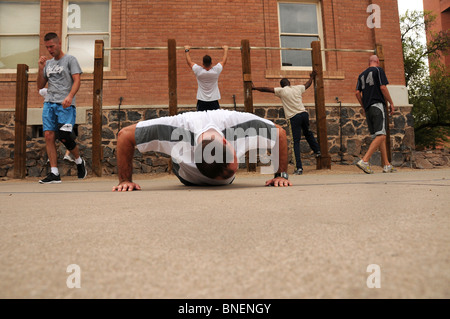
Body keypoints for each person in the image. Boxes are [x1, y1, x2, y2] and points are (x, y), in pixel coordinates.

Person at [112, 109, 292, 192]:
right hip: (186, 174)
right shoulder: (176, 128)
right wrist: (125, 180)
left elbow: (280, 134)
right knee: (177, 154)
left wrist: (280, 175)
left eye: (235, 163)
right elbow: (125, 136)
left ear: (226, 141)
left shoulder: (240, 123)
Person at [37, 32, 87, 184]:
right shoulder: (49, 64)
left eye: (52, 46)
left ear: (59, 44)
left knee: (64, 135)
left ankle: (78, 160)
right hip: (49, 103)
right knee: (48, 136)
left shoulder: (70, 60)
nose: (50, 50)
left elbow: (77, 80)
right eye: (47, 47)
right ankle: (54, 173)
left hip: (65, 103)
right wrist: (40, 68)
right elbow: (39, 86)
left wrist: (70, 96)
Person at [252, 73, 321, 175]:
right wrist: (312, 77)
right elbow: (307, 84)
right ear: (289, 83)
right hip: (304, 114)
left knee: (295, 142)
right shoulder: (297, 88)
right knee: (308, 133)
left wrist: (255, 88)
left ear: (281, 85)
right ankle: (317, 151)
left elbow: (266, 89)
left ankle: (299, 168)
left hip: (294, 117)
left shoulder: (282, 91)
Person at [355, 55, 396, 174]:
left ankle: (387, 165)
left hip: (368, 109)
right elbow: (383, 87)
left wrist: (363, 106)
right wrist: (391, 103)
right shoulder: (378, 70)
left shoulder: (361, 75)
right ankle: (365, 160)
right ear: (377, 62)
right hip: (377, 105)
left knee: (379, 136)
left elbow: (357, 93)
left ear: (369, 62)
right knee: (382, 135)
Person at [184, 45, 229, 111]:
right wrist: (226, 50)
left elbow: (189, 62)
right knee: (214, 118)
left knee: (201, 119)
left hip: (202, 101)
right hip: (213, 100)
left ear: (203, 63)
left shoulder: (198, 71)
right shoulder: (216, 71)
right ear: (211, 63)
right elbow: (224, 61)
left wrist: (186, 50)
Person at [39, 87, 76, 163]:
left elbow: (40, 90)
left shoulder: (50, 94)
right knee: (69, 137)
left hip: (56, 122)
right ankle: (66, 154)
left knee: (51, 139)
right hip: (59, 122)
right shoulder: (55, 94)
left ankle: (53, 157)